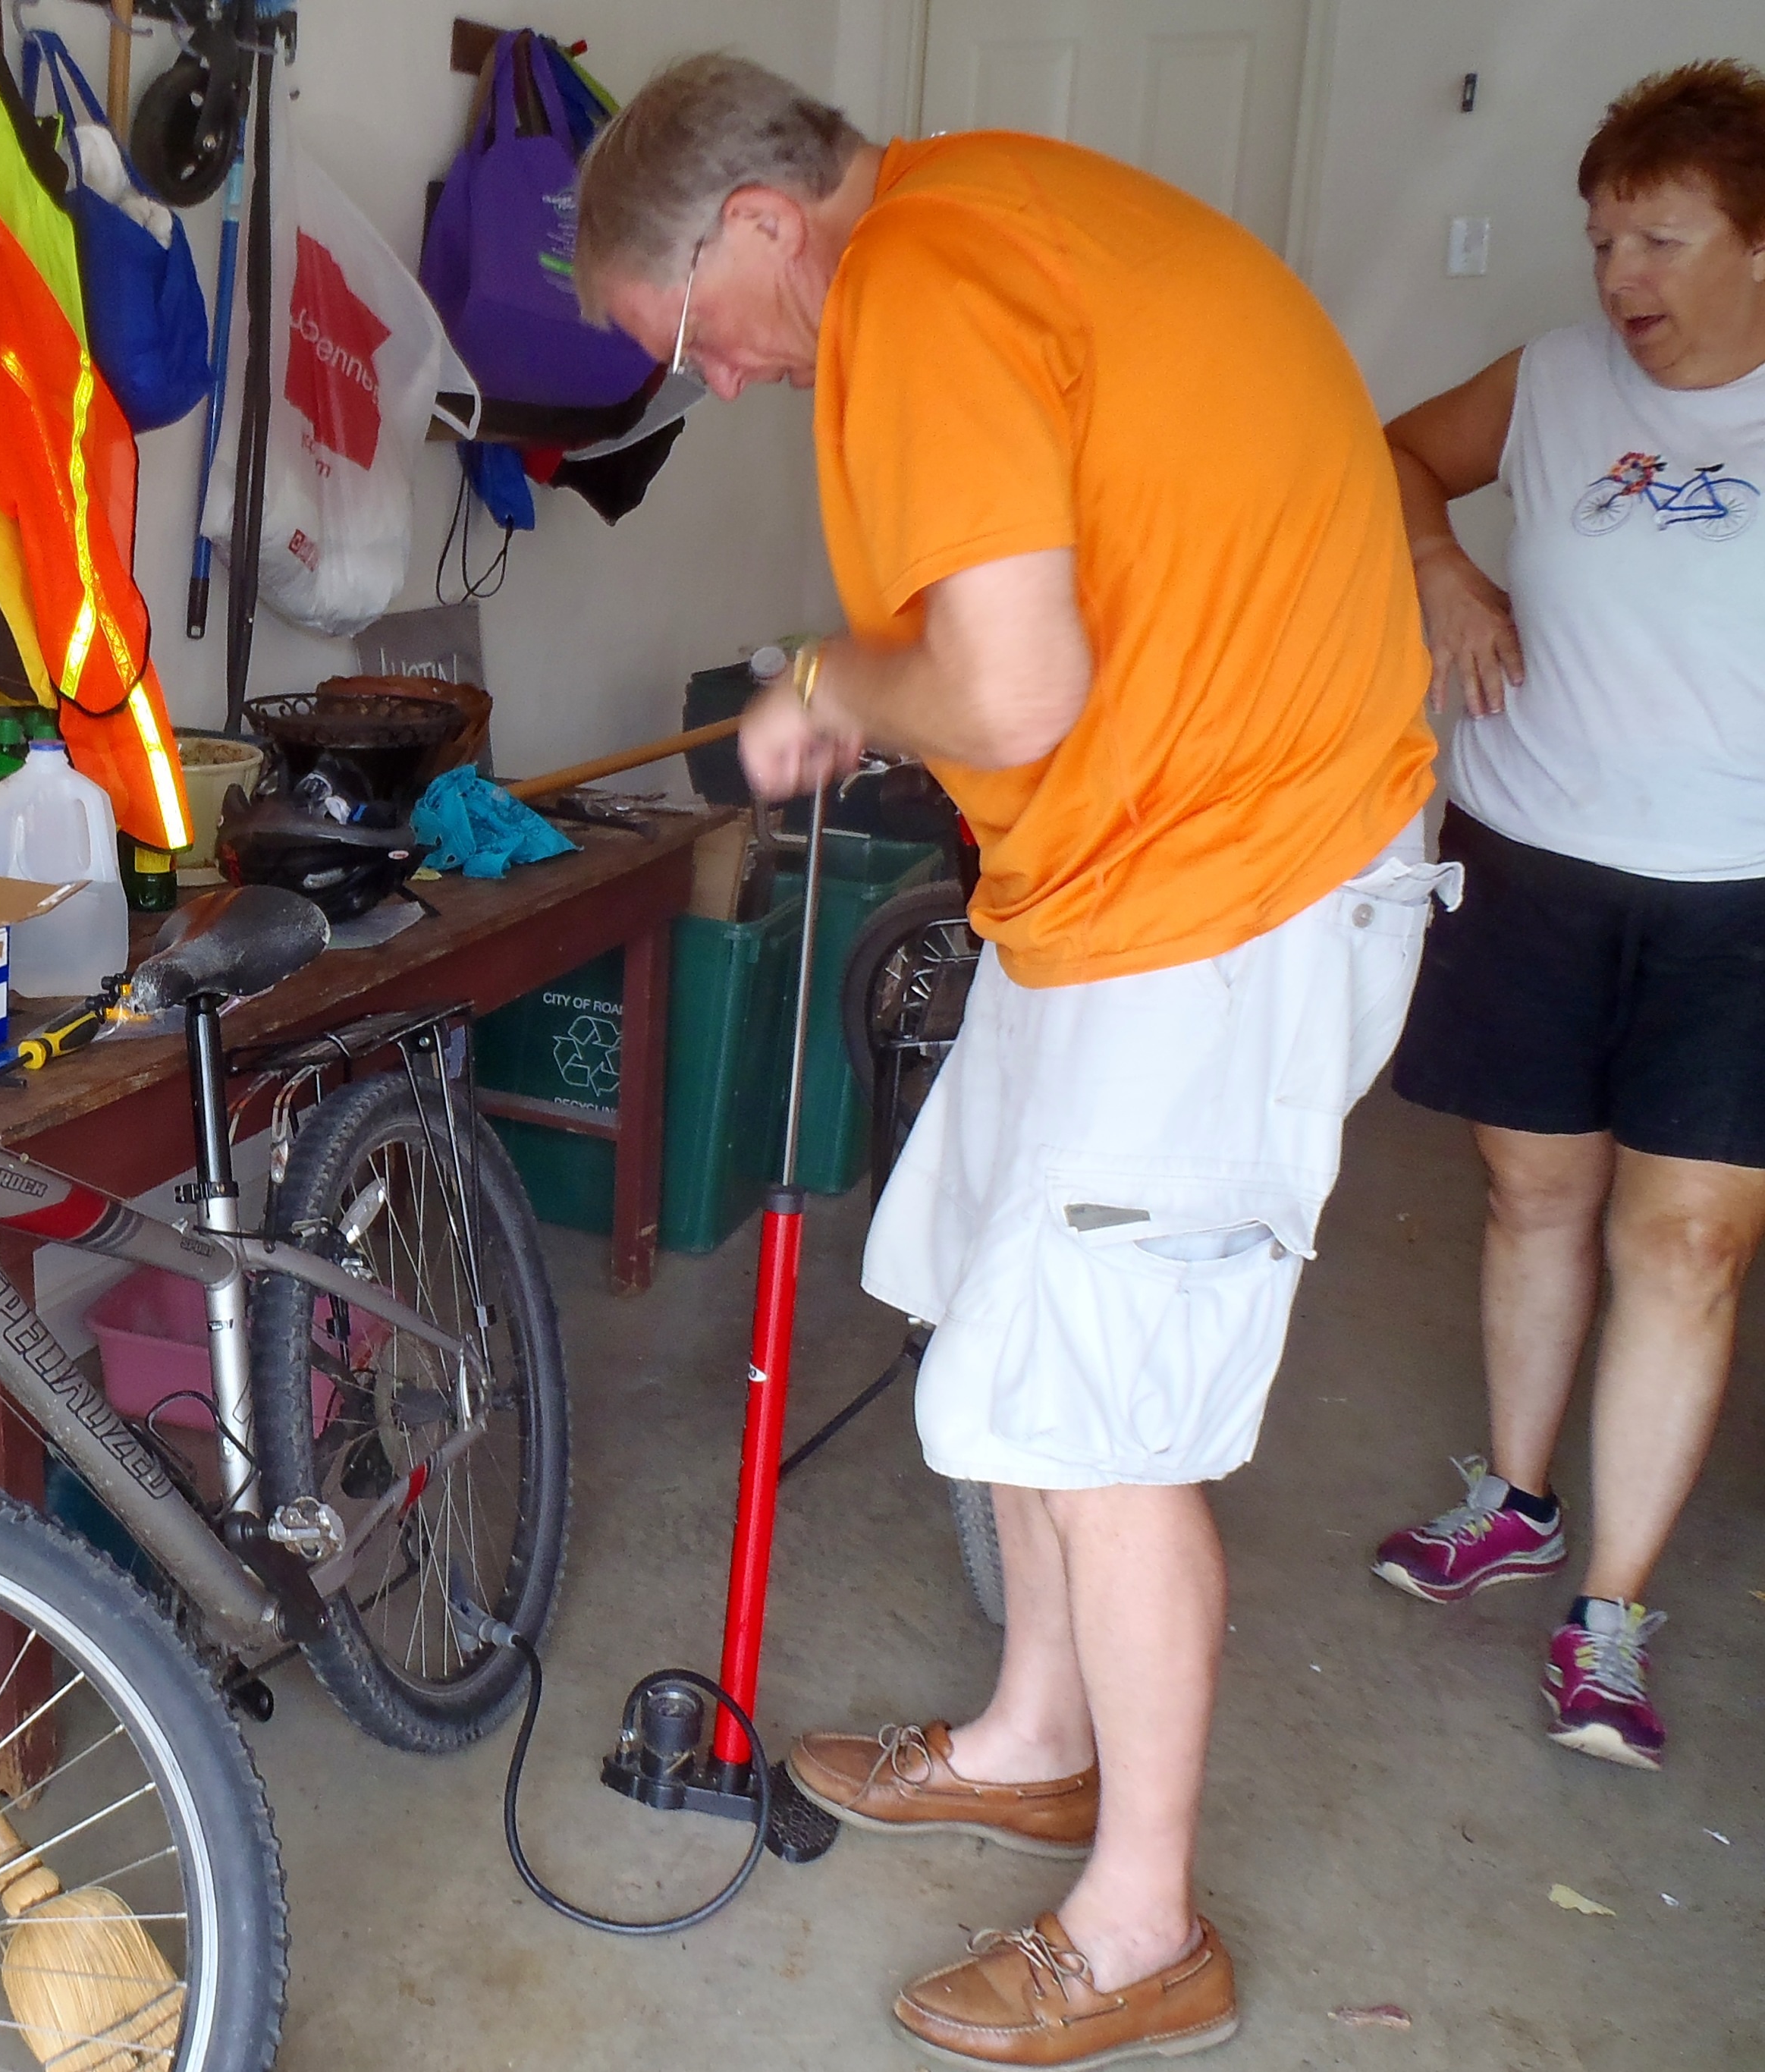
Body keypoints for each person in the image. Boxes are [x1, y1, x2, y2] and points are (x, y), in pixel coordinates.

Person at [576, 59, 1442, 2069]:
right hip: (1130, 881)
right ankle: (1038, 1736)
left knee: (1102, 1415)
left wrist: (829, 681)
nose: (710, 379)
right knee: (992, 1303)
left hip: (1229, 895)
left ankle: (1142, 1931)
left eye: (687, 332)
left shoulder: (918, 282)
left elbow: (1011, 679)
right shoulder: (976, 223)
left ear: (760, 224)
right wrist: (879, 685)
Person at [1369, 61, 1765, 1773]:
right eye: (1603, 239)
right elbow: (1391, 450)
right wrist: (1443, 567)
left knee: (1686, 1244)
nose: (1619, 276)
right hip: (1531, 853)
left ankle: (1609, 1613)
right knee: (1533, 1194)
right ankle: (1517, 1503)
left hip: (1739, 897)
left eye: (1660, 239)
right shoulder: (1550, 380)